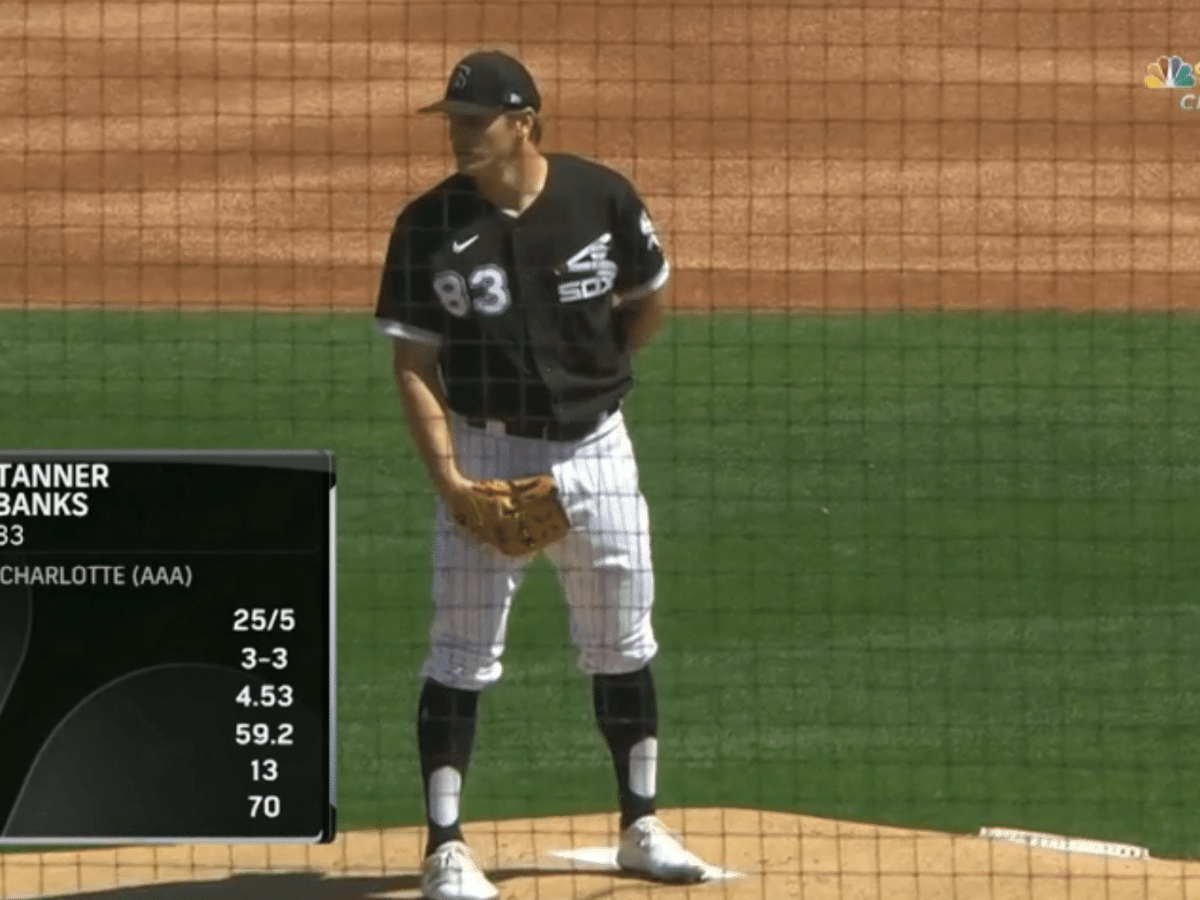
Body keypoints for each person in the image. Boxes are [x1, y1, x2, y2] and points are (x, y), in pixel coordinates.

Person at [373, 50, 710, 900]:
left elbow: (649, 298)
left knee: (623, 641)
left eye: (471, 119)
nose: (455, 133)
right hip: (487, 457)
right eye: (451, 119)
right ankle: (445, 846)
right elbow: (413, 364)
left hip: (600, 449)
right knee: (460, 650)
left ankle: (640, 824)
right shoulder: (426, 225)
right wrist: (451, 480)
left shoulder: (601, 197)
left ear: (523, 121)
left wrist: (592, 384)